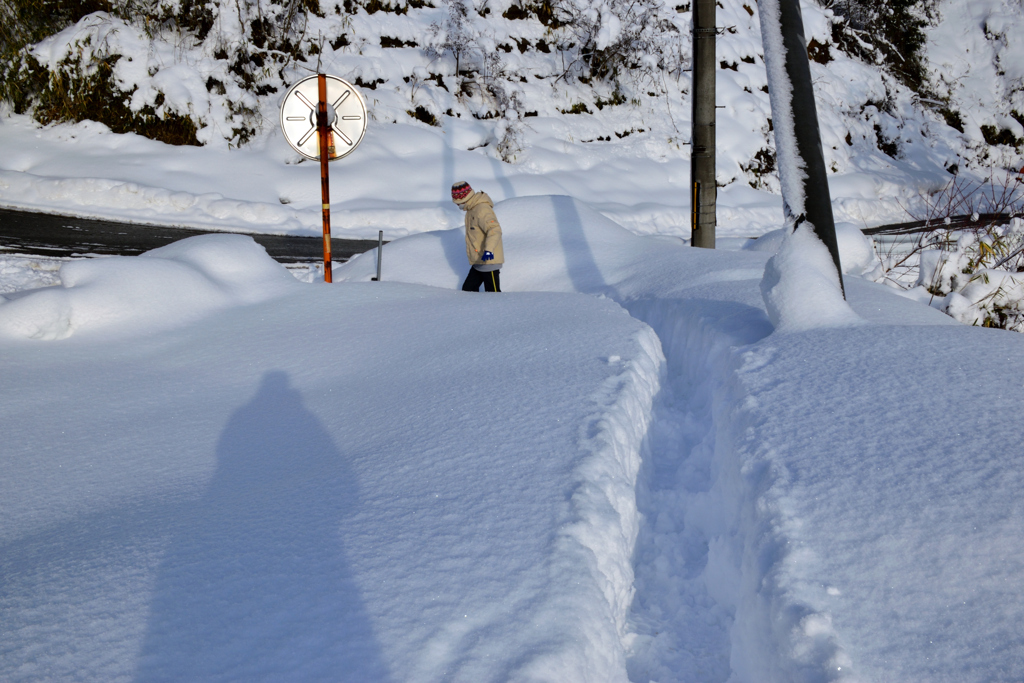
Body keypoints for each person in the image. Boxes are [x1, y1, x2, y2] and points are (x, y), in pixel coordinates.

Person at [452, 181, 503, 292]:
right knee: (468, 290)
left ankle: (499, 309)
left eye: (457, 202)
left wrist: (489, 250)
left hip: (489, 261)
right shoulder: (472, 209)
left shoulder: (481, 209)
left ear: (464, 199)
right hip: (479, 260)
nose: (457, 205)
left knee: (493, 294)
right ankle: (474, 309)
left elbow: (494, 229)